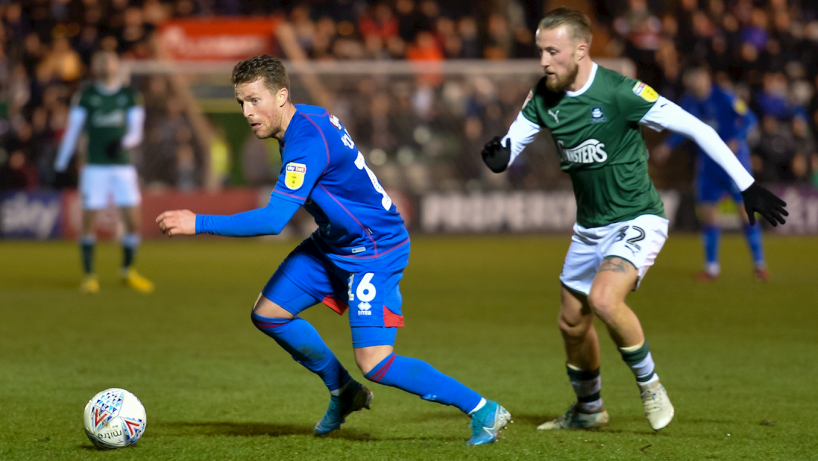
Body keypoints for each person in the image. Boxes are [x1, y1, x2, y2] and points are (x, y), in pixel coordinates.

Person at [155, 55, 511, 446]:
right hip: (333, 242)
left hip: (373, 249)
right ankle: (345, 392)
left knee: (375, 362)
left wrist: (199, 222)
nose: (247, 112)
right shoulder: (305, 119)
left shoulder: (306, 142)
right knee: (269, 314)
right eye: (241, 102)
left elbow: (275, 221)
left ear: (282, 95)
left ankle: (483, 409)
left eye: (255, 100)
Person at [481, 8, 787, 432]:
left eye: (552, 51)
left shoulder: (620, 92)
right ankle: (589, 409)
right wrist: (501, 156)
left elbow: (697, 128)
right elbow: (513, 141)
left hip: (637, 216)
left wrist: (746, 185)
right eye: (540, 52)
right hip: (589, 229)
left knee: (606, 300)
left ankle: (651, 386)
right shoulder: (543, 96)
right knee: (571, 321)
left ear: (581, 49)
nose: (544, 61)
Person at [654, 65, 767, 281]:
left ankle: (759, 264)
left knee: (746, 213)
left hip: (734, 163)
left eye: (698, 77)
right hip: (708, 166)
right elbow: (682, 128)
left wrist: (738, 137)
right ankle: (711, 268)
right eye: (691, 78)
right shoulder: (689, 101)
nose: (695, 82)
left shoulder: (725, 96)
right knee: (707, 214)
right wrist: (667, 146)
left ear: (706, 78)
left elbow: (750, 119)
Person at [54, 50, 153, 294]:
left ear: (117, 65)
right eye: (100, 61)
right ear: (95, 67)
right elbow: (73, 130)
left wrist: (123, 143)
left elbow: (136, 132)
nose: (105, 65)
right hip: (94, 167)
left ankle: (128, 270)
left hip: (122, 167)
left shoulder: (130, 95)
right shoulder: (85, 96)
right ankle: (89, 275)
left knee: (133, 221)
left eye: (109, 61)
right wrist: (60, 162)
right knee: (88, 221)